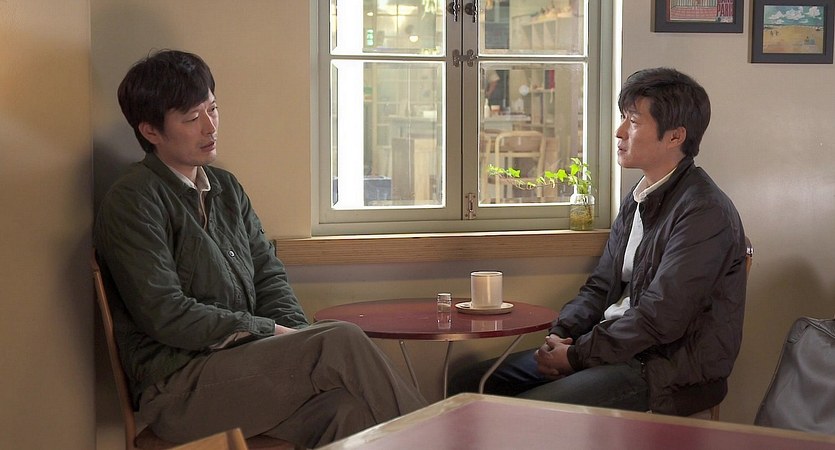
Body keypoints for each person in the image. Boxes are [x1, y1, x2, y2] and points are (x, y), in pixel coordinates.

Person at [94, 49, 427, 448]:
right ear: (151, 131)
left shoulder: (226, 188)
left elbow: (269, 277)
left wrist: (294, 339)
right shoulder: (133, 199)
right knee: (339, 339)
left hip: (246, 372)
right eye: (191, 118)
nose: (210, 127)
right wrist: (271, 332)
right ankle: (440, 438)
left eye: (213, 109)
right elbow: (166, 313)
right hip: (177, 390)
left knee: (347, 410)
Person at [450, 67, 747, 416]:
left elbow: (661, 317)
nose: (619, 131)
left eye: (633, 121)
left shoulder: (704, 211)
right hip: (610, 349)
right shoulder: (639, 197)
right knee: (469, 383)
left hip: (661, 369)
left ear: (675, 136)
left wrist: (576, 356)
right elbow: (600, 286)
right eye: (623, 118)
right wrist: (560, 335)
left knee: (529, 414)